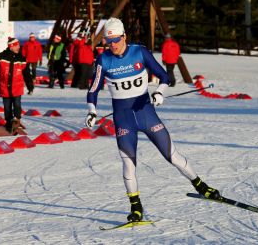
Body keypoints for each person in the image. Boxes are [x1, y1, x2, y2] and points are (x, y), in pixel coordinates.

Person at [85, 18, 220, 222]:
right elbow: (93, 89)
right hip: (124, 120)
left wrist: (159, 93)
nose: (112, 44)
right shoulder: (103, 60)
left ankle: (201, 186)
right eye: (108, 41)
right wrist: (92, 111)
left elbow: (164, 76)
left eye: (115, 40)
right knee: (128, 164)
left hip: (146, 114)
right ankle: (136, 207)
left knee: (172, 155)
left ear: (124, 36)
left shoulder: (139, 52)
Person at [0, 37, 34, 133]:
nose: (19, 47)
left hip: (17, 87)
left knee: (17, 105)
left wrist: (30, 87)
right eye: (16, 45)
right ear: (11, 46)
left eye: (19, 45)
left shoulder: (22, 59)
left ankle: (17, 119)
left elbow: (27, 75)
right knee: (7, 107)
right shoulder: (0, 57)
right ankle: (8, 123)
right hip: (5, 87)